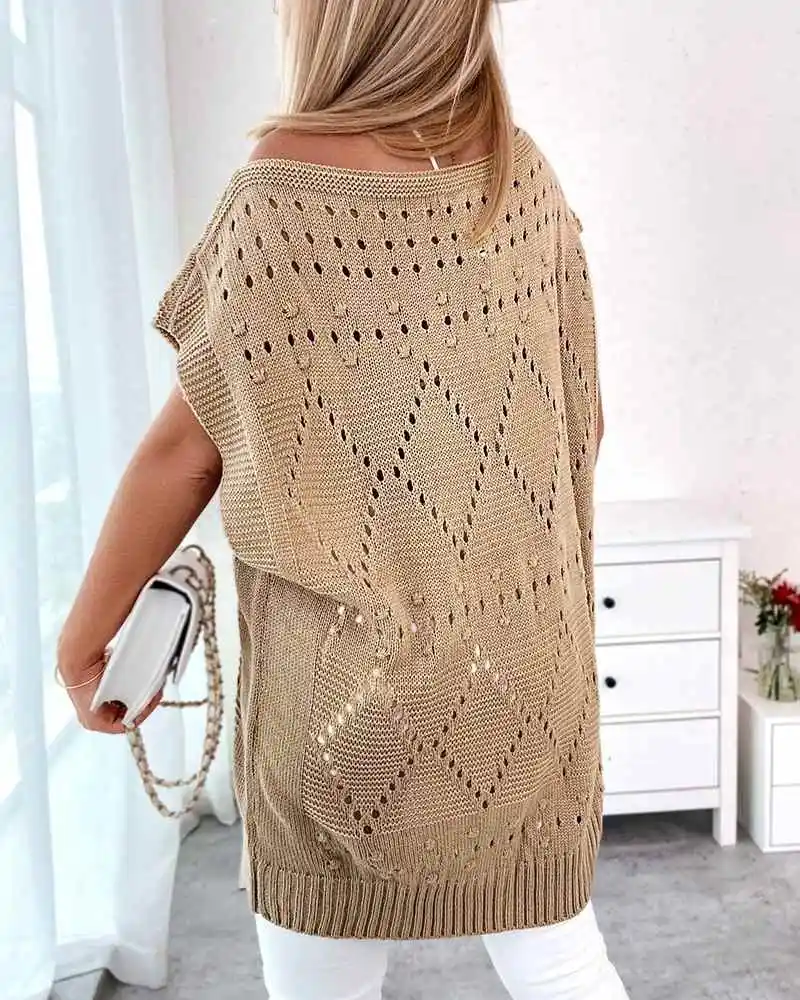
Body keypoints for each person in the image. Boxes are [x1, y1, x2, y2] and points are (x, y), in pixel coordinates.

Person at [58, 1, 625, 997]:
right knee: (562, 963)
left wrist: (84, 642)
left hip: (336, 708)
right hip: (524, 688)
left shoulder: (278, 193)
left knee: (320, 980)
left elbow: (183, 455)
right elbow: (581, 424)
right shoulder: (520, 176)